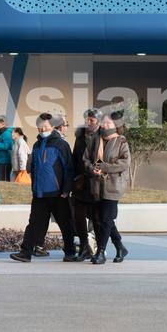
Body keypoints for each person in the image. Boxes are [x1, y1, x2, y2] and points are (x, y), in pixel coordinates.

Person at [10, 113, 77, 263]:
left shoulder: (61, 145)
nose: (43, 129)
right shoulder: (36, 145)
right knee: (34, 224)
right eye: (40, 127)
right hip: (39, 194)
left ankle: (70, 252)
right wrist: (34, 188)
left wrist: (66, 190)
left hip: (58, 194)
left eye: (46, 126)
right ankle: (25, 252)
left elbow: (69, 169)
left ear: (52, 126)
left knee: (65, 224)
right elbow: (33, 168)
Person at [84, 111, 131, 264]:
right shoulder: (94, 139)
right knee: (99, 218)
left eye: (108, 123)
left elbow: (125, 163)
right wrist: (92, 168)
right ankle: (120, 246)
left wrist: (105, 167)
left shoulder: (121, 141)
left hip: (113, 186)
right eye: (103, 122)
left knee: (105, 219)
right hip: (96, 185)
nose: (105, 125)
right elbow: (86, 158)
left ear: (116, 126)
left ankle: (101, 252)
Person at [72, 108, 102, 261]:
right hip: (81, 183)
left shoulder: (103, 136)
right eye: (87, 119)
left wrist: (94, 170)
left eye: (92, 120)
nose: (88, 122)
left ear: (98, 121)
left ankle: (99, 248)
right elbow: (75, 159)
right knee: (78, 217)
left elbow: (103, 159)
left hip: (96, 182)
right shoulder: (80, 136)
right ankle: (84, 247)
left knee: (96, 219)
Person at [0, 115, 13, 181]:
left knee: (4, 180)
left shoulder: (7, 133)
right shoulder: (0, 133)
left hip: (5, 162)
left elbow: (7, 146)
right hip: (0, 161)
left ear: (3, 123)